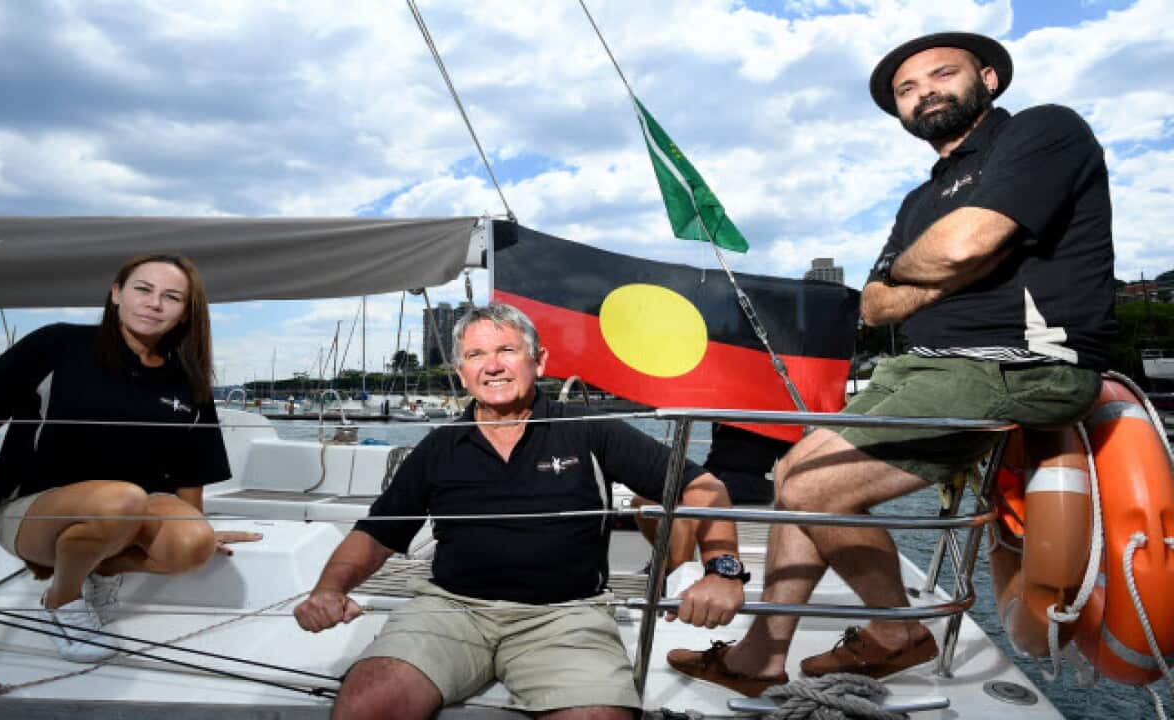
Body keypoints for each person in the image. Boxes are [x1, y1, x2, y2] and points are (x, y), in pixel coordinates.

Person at [667, 31, 1116, 696]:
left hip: (1020, 366)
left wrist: (957, 257)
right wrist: (952, 263)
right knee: (793, 469)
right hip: (924, 369)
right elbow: (877, 304)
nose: (923, 92)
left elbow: (968, 243)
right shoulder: (918, 201)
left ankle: (895, 632)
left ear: (988, 79)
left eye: (941, 74)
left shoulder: (1044, 133)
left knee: (814, 489)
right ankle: (763, 656)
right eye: (907, 90)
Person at [294, 303, 747, 720]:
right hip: (451, 609)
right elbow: (377, 533)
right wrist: (329, 590)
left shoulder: (588, 432)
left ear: (539, 361)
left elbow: (702, 486)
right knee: (369, 700)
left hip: (565, 616)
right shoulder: (437, 448)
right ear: (461, 370)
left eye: (507, 350)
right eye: (476, 355)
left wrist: (722, 571)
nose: (492, 366)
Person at [0, 254, 260, 663]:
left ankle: (98, 569)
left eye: (171, 297)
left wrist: (198, 527)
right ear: (116, 294)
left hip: (129, 512)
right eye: (143, 289)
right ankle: (61, 601)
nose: (154, 303)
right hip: (32, 511)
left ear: (183, 315)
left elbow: (190, 473)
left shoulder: (189, 383)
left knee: (192, 545)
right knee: (121, 499)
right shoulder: (58, 344)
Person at [632, 424, 790, 575]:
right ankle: (666, 562)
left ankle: (679, 571)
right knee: (641, 501)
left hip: (748, 483)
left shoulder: (773, 415)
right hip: (712, 473)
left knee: (682, 507)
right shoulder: (725, 410)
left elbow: (789, 459)